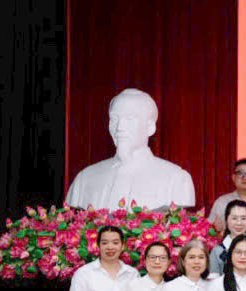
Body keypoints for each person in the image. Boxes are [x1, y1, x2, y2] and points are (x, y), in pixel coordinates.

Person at [64, 88, 195, 210]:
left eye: (130, 118)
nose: (119, 127)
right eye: (114, 118)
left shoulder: (176, 180)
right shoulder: (84, 179)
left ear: (150, 127)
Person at [208, 158, 246, 230]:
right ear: (233, 177)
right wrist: (215, 229)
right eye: (240, 173)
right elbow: (209, 229)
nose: (245, 177)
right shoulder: (222, 202)